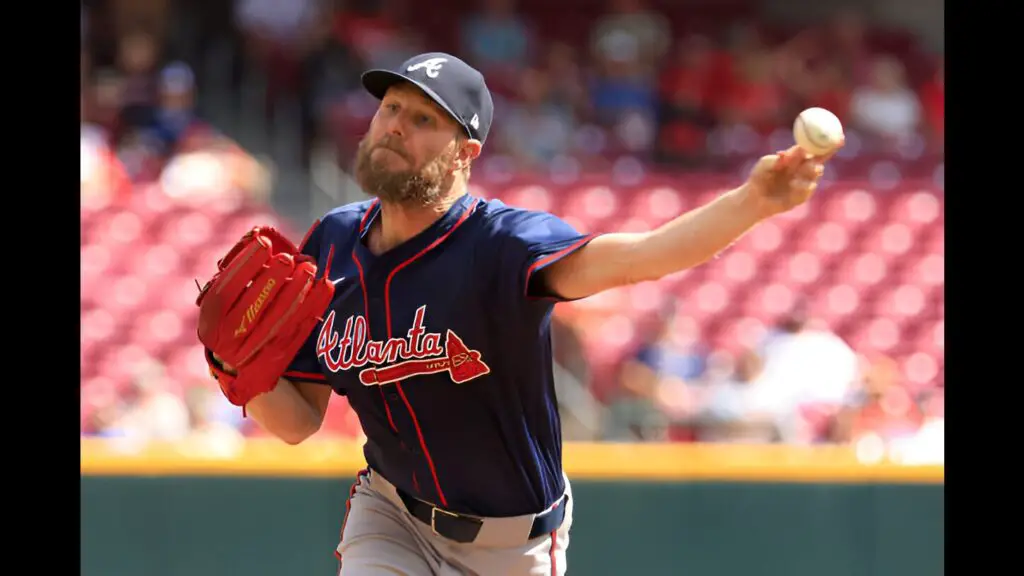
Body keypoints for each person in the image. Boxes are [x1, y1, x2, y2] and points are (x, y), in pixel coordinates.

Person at [209, 51, 836, 576]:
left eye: (424, 119)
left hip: (513, 544)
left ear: (465, 152)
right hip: (391, 514)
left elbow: (642, 257)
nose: (396, 126)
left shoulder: (504, 244)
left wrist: (753, 201)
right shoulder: (332, 244)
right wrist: (233, 367)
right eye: (390, 108)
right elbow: (296, 424)